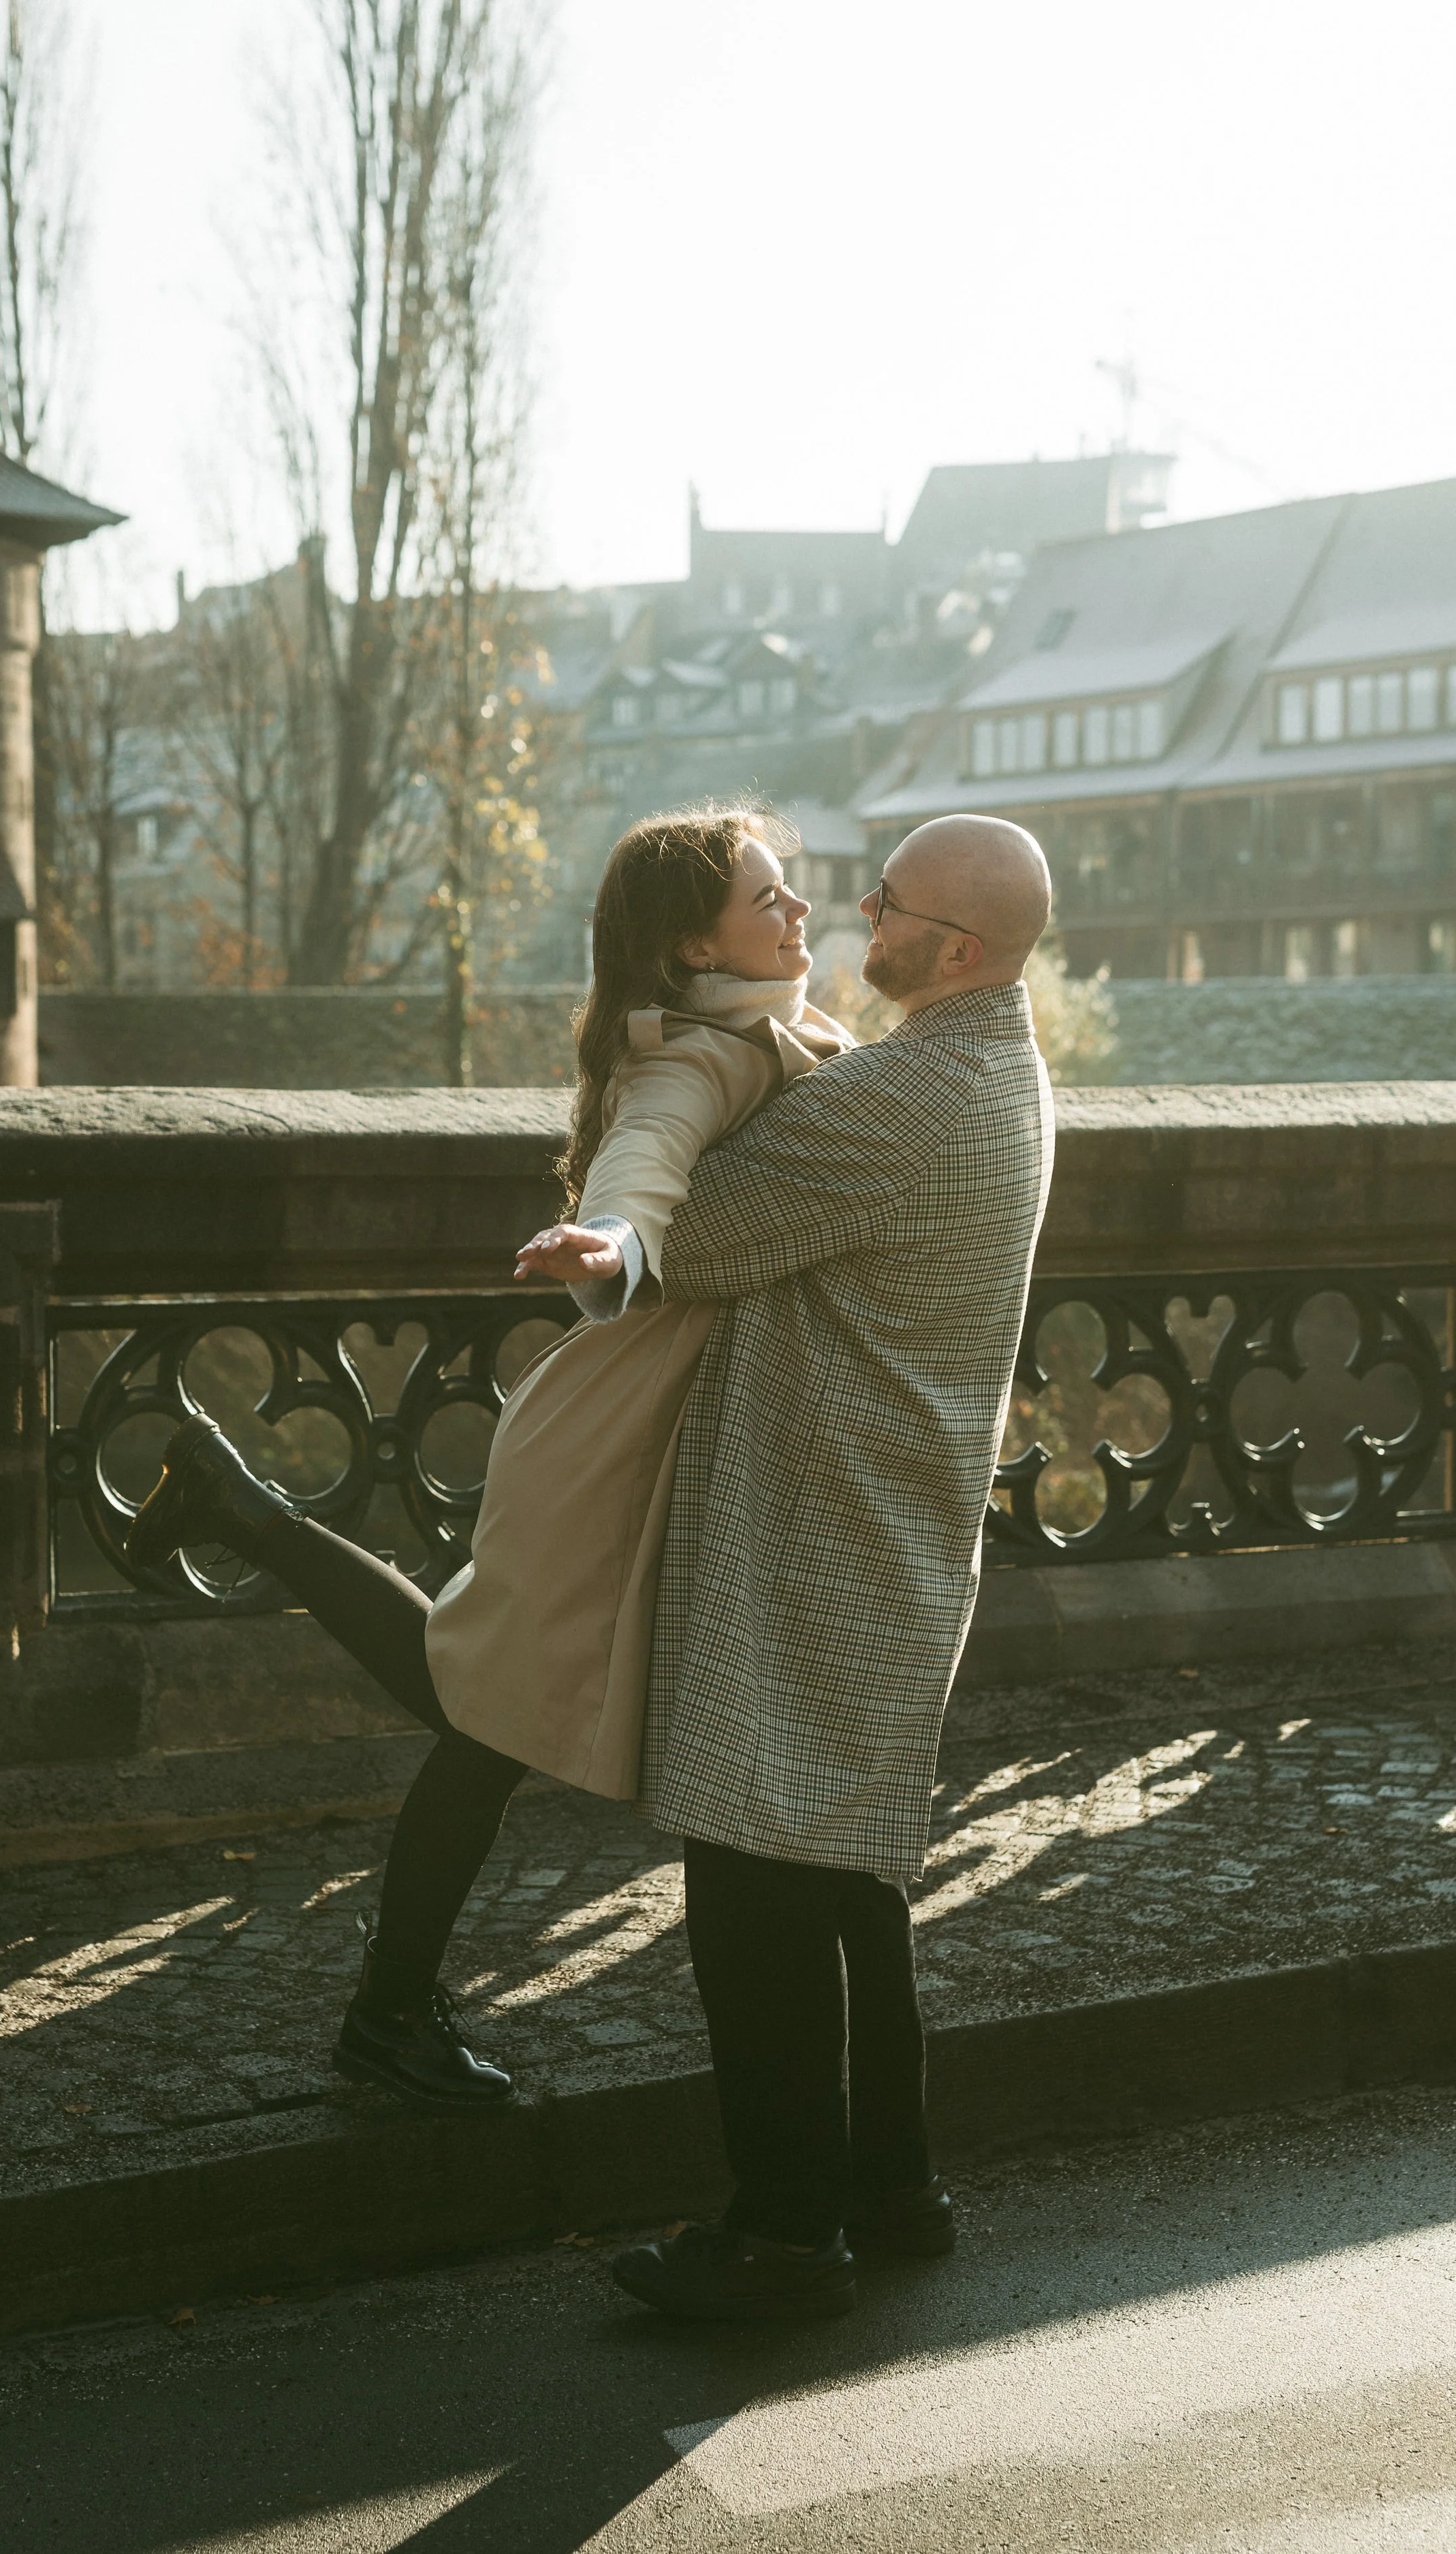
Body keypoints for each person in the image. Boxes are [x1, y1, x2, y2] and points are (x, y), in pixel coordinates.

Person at [122, 806, 853, 2111]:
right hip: (613, 1440)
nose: (798, 910)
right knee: (484, 1716)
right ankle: (387, 2014)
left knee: (484, 1706)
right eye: (770, 894)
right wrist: (615, 1243)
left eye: (791, 891)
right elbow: (649, 1158)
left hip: (645, 1433)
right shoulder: (698, 1056)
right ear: (696, 943)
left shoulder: (754, 1034)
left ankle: (241, 1505)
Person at [603, 810, 1056, 2324]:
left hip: (821, 1531)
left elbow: (704, 1239)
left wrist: (698, 1068)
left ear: (961, 950)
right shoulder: (988, 1061)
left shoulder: (910, 1094)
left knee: (751, 1886)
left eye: (893, 902)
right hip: (885, 1520)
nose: (863, 909)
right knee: (848, 1872)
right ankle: (889, 2187)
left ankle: (783, 2236)